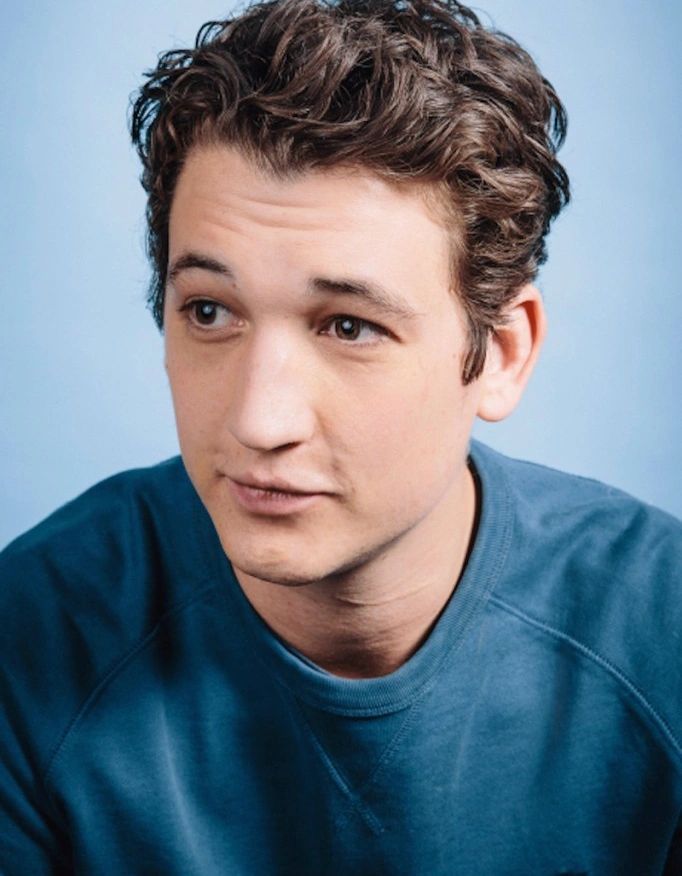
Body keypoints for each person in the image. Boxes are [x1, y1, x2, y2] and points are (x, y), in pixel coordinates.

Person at [1, 0, 680, 871]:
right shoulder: (30, 637)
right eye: (210, 312)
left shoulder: (663, 636)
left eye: (349, 326)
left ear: (500, 355)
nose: (258, 420)